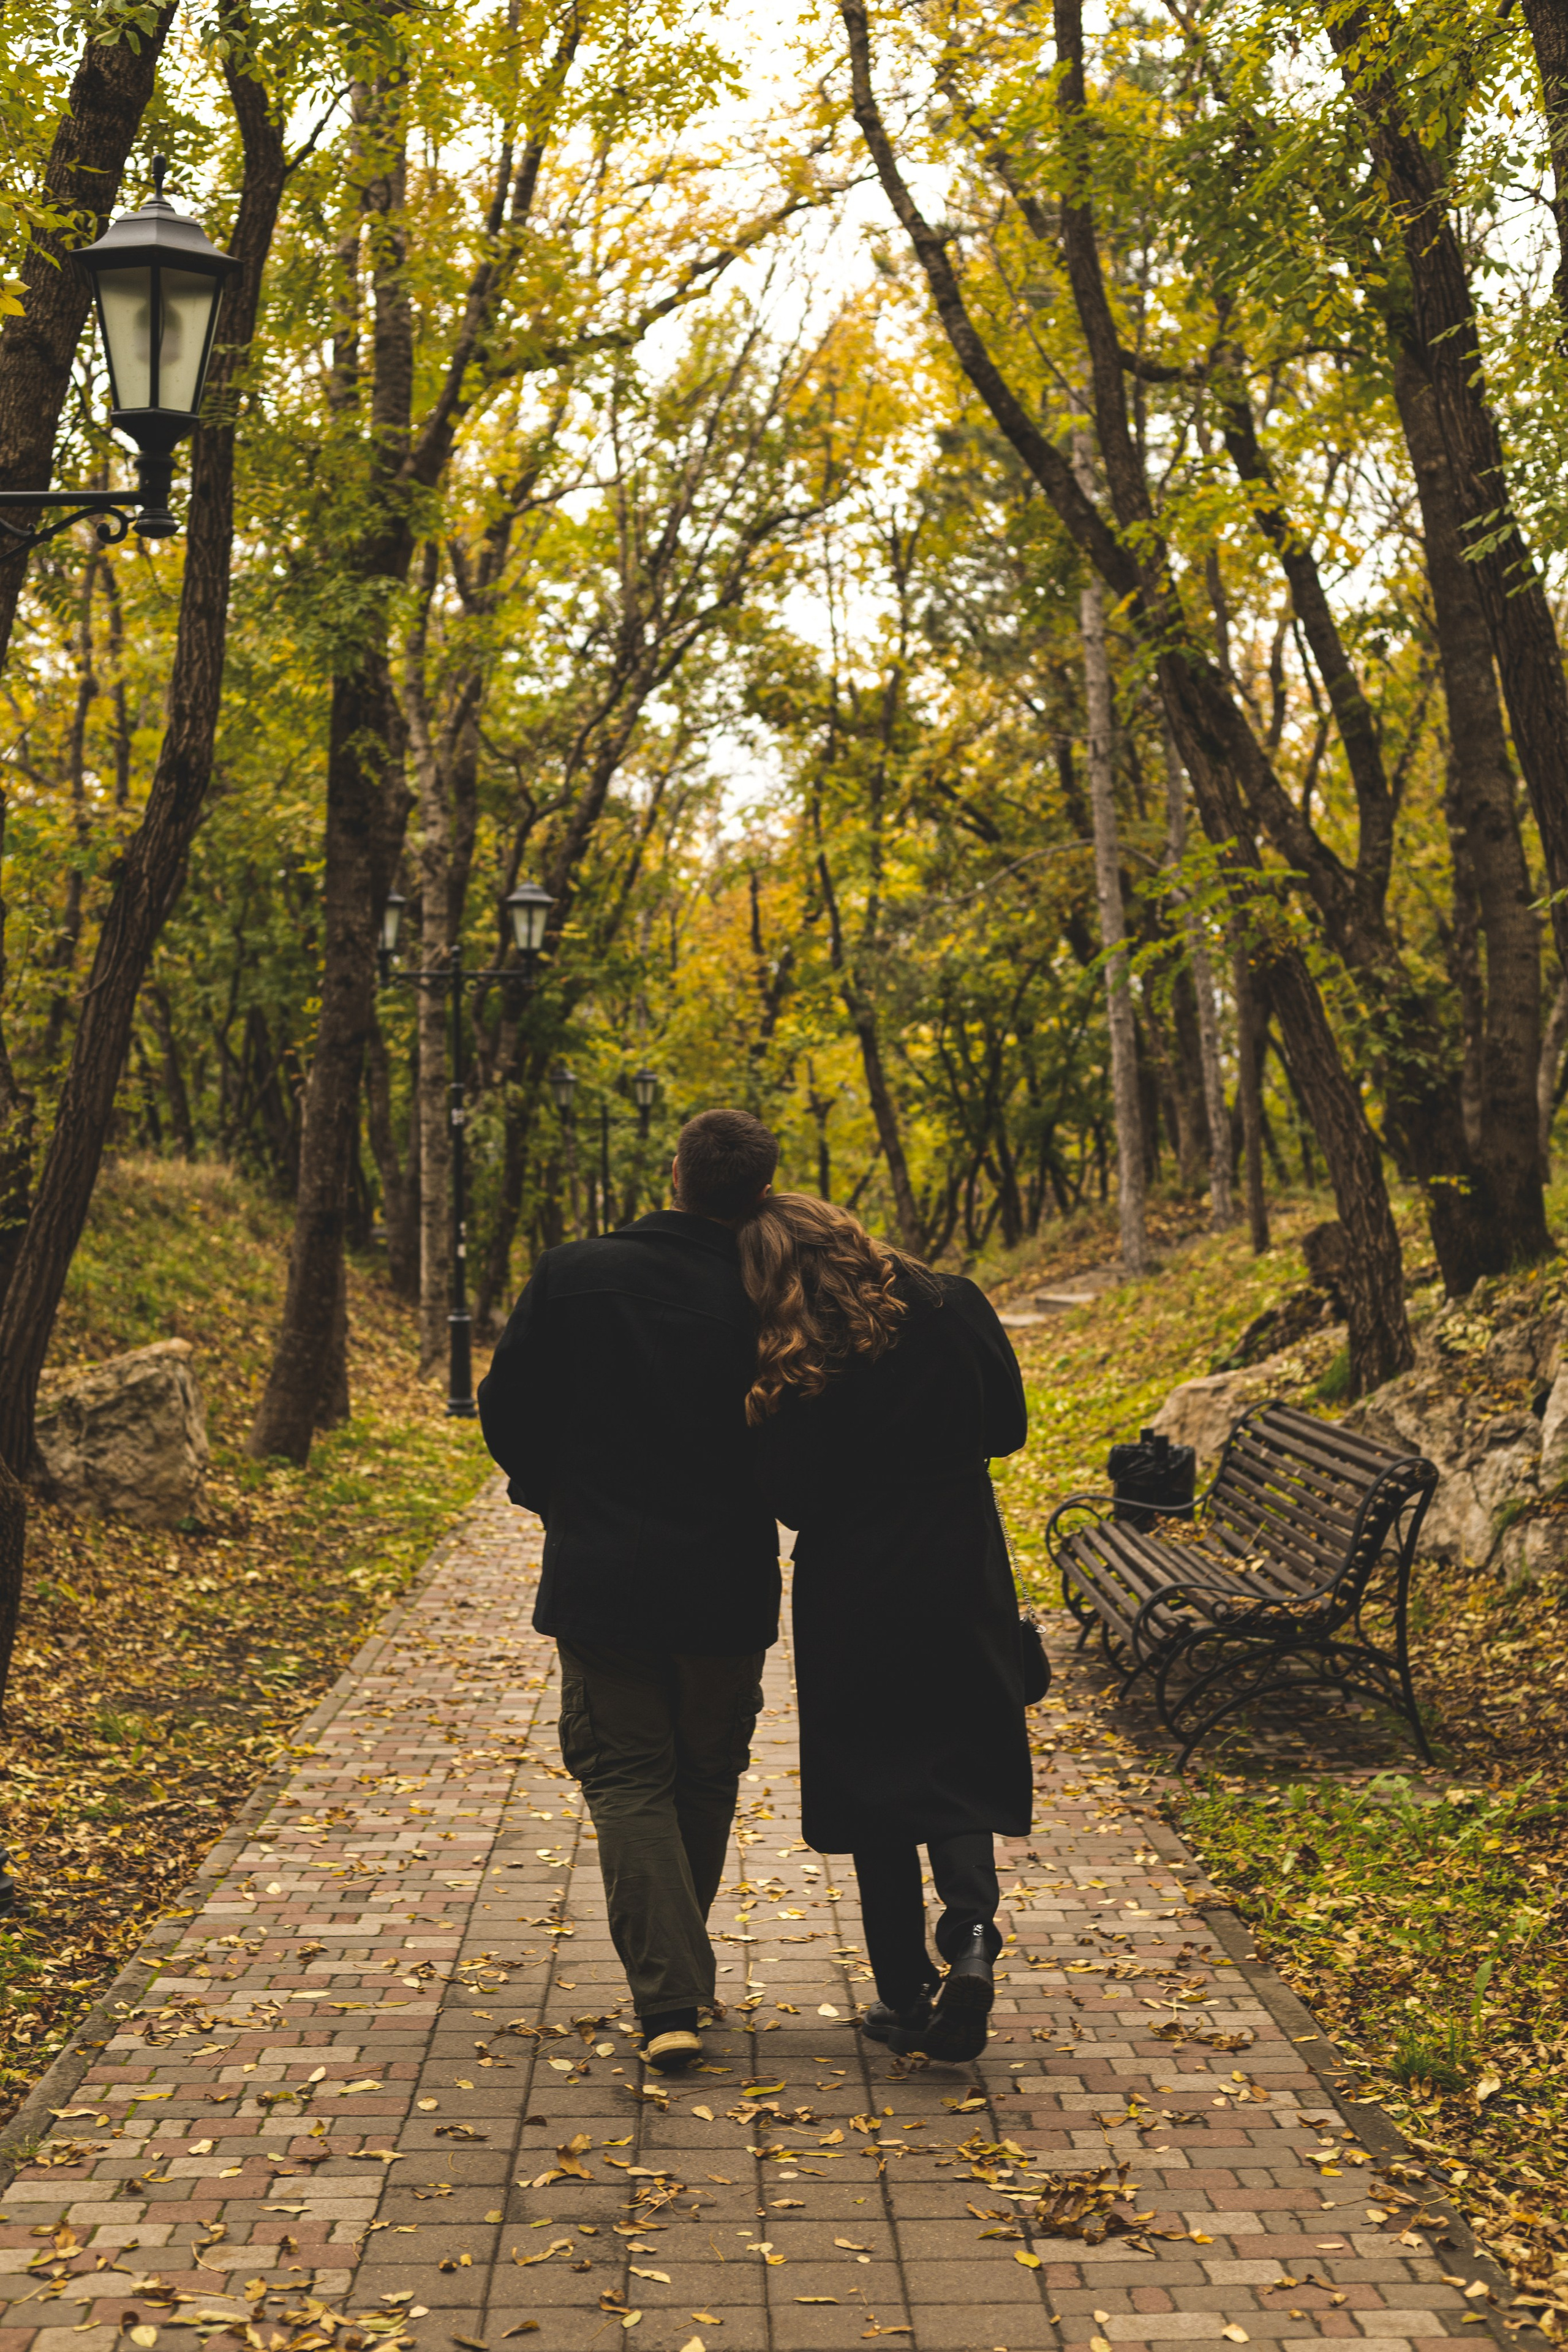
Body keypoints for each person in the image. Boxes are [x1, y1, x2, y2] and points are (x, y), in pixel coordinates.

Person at [477, 1107, 781, 2074]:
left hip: (603, 1573)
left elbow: (505, 1406)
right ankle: (677, 1984)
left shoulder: (572, 1274)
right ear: (758, 1193)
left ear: (675, 1173)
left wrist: (555, 1495)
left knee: (627, 1777)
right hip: (726, 1575)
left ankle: (669, 2000)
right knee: (704, 1774)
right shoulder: (770, 1294)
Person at [737, 1192, 1030, 2062]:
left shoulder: (791, 1351)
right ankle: (971, 1935)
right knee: (958, 1751)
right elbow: (1008, 1428)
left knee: (875, 1778)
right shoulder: (953, 1302)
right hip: (960, 1555)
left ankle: (906, 1992)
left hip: (854, 1579)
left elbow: (792, 1498)